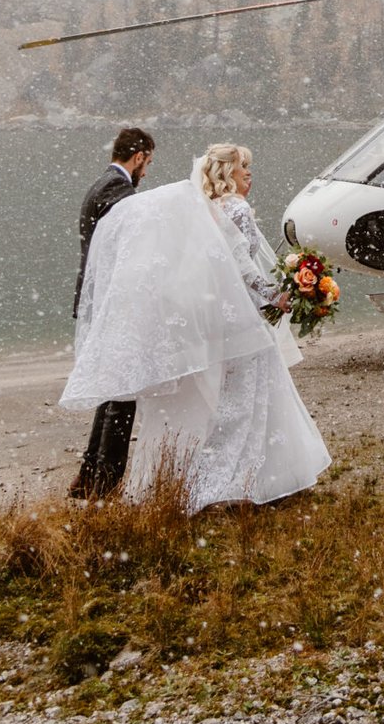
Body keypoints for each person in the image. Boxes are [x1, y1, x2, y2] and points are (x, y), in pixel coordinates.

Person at [60, 140, 330, 511]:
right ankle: (244, 481)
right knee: (248, 404)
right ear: (228, 173)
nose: (249, 173)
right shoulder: (236, 208)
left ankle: (191, 479)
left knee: (219, 404)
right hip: (240, 322)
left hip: (216, 321)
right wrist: (276, 296)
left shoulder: (204, 209)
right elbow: (242, 267)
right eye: (243, 167)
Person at [67, 125, 155, 499]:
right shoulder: (118, 191)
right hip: (113, 303)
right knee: (122, 395)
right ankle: (105, 482)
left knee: (112, 391)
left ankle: (90, 476)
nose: (146, 172)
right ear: (138, 157)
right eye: (147, 163)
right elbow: (129, 249)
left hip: (101, 300)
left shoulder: (100, 185)